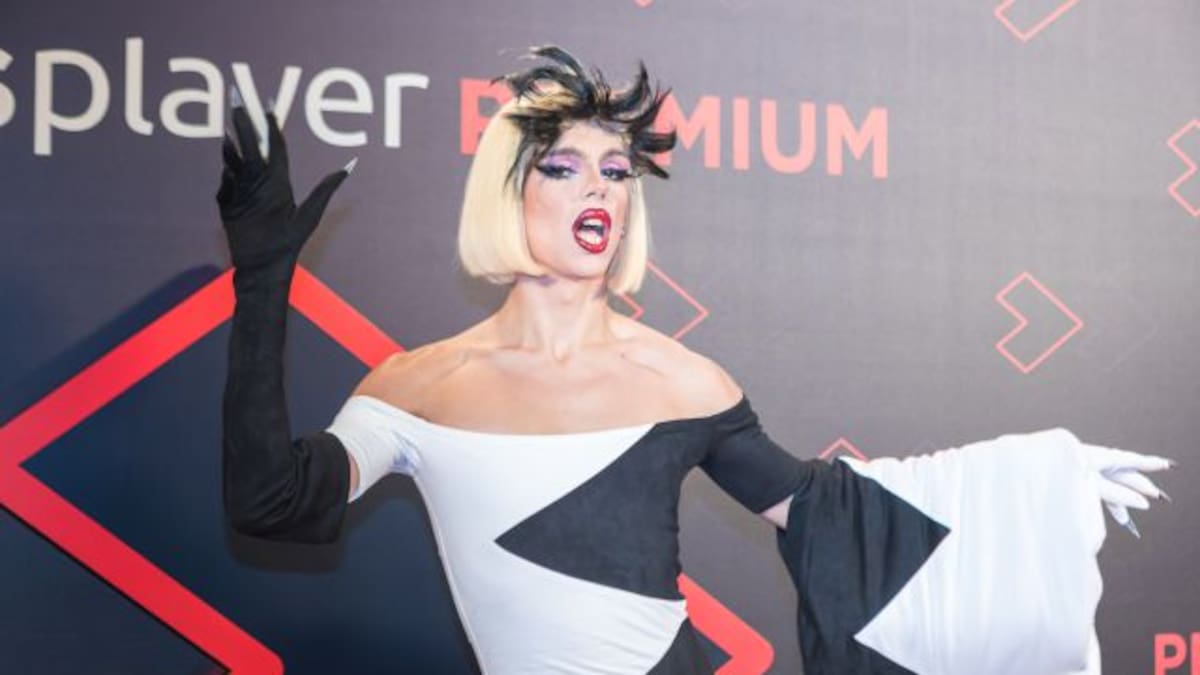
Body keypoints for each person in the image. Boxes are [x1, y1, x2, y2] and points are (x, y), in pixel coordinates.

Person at [218, 46, 1174, 674]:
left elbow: (837, 514)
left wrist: (1040, 482)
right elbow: (272, 502)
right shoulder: (421, 387)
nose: (600, 190)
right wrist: (262, 284)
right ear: (507, 192)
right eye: (564, 168)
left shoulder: (681, 381)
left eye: (616, 172)